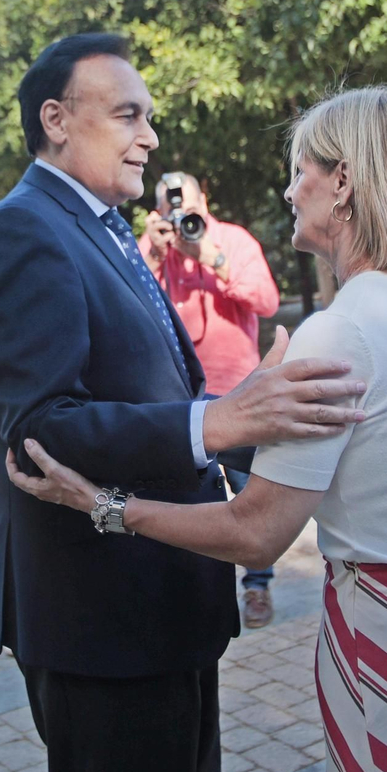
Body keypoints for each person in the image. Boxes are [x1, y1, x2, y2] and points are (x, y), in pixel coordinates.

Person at [9, 85, 387, 772]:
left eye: (301, 172)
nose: (289, 190)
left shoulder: (339, 331)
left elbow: (256, 534)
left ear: (343, 182)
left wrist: (105, 507)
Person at [0, 33, 367, 772]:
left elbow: (157, 395)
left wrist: (270, 421)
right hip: (102, 618)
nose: (149, 137)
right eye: (127, 115)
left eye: (148, 117)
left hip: (159, 604)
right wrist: (219, 420)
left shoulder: (101, 226)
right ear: (56, 119)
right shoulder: (23, 229)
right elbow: (40, 428)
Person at [141, 172, 284, 626]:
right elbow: (127, 308)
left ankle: (257, 587)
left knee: (252, 493)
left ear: (205, 201)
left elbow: (267, 301)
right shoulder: (153, 248)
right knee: (186, 497)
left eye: (189, 208)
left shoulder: (233, 240)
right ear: (158, 213)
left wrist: (211, 257)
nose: (183, 217)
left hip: (240, 390)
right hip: (177, 397)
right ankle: (195, 591)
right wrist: (152, 252)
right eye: (172, 210)